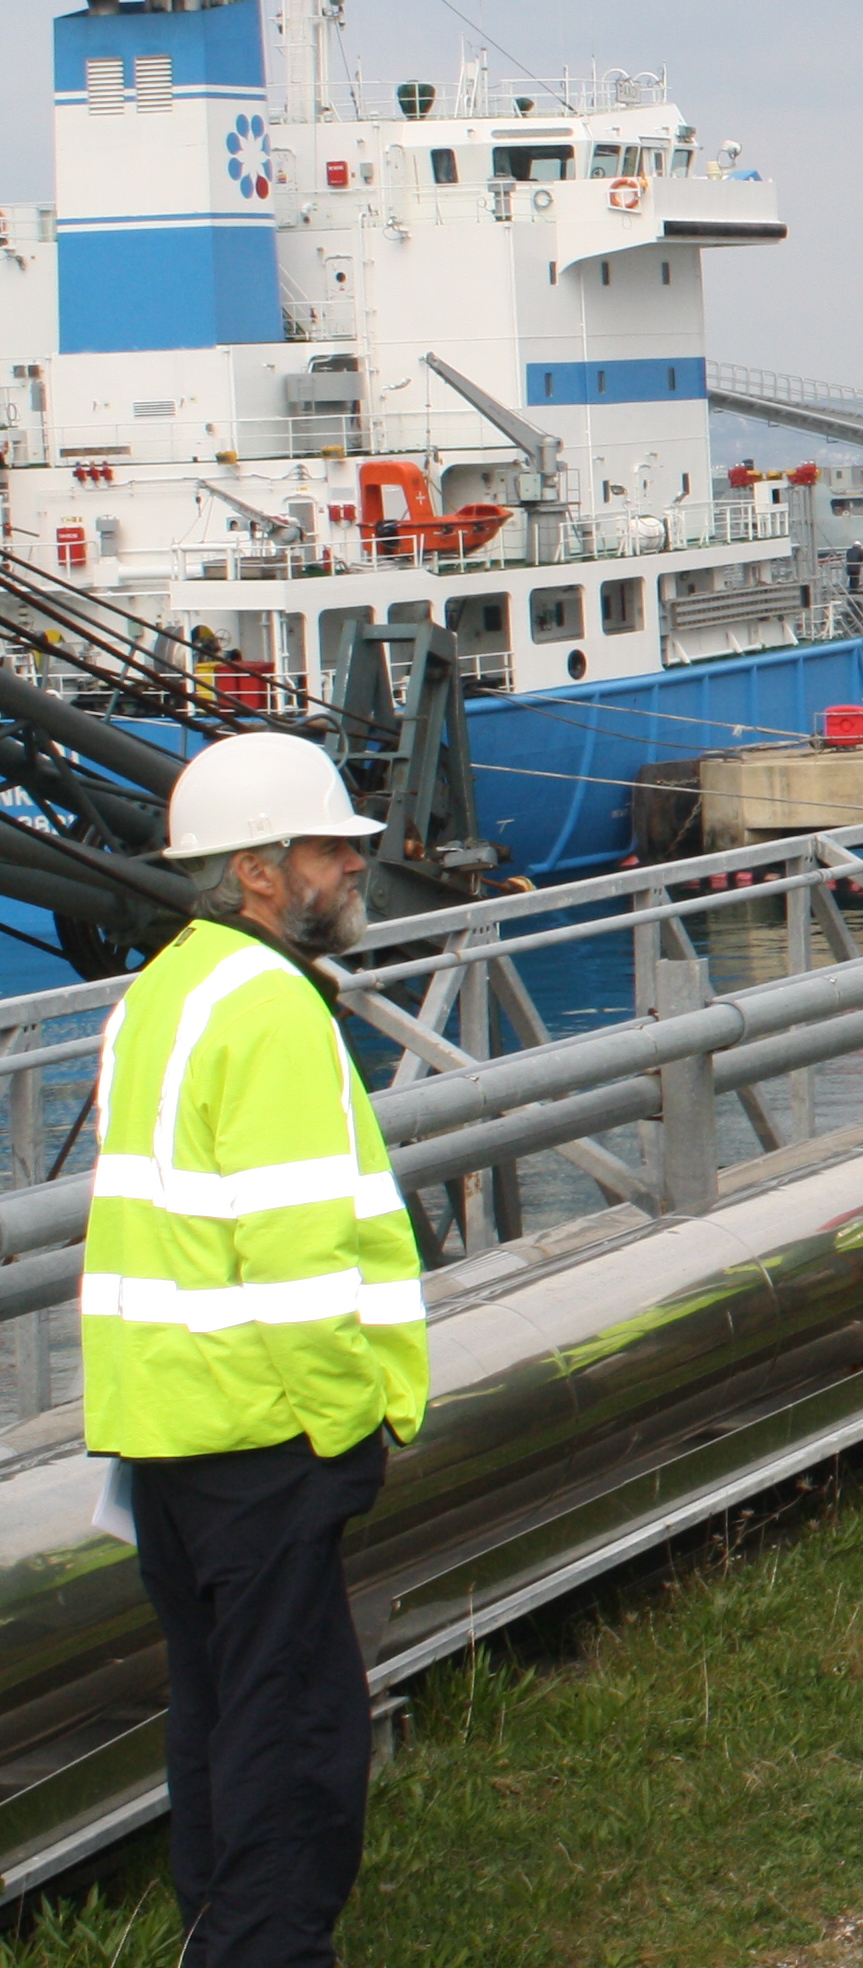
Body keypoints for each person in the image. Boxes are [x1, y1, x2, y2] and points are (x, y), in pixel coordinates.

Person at [84, 732, 420, 1965]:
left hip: (165, 1426)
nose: (354, 868)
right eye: (334, 848)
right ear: (263, 871)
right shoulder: (273, 1007)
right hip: (265, 1431)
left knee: (217, 1718)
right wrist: (351, 1417)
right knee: (294, 1737)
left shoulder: (159, 992)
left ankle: (216, 1936)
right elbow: (296, 1258)